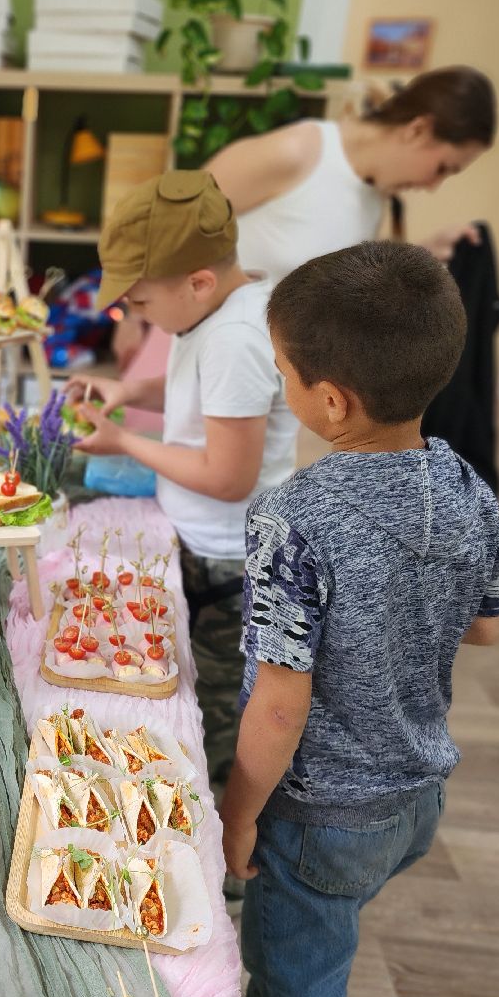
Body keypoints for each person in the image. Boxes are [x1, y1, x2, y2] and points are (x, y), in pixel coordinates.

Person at [223, 241, 499, 997]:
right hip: (416, 799)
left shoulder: (294, 519)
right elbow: (487, 628)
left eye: (283, 371)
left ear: (330, 402)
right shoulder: (469, 490)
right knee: (336, 917)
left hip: (320, 817)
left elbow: (281, 706)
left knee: (296, 986)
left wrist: (237, 816)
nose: (278, 382)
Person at [69, 170, 300, 796]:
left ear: (197, 282)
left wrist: (124, 441)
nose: (134, 315)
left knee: (216, 703)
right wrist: (131, 391)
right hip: (202, 542)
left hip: (229, 561)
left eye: (139, 303)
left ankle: (221, 824)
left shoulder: (234, 338)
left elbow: (228, 477)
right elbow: (197, 395)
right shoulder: (217, 310)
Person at [111, 66, 497, 385]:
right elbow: (168, 223)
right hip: (190, 357)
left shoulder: (372, 194)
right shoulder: (298, 153)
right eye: (443, 168)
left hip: (261, 379)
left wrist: (425, 253)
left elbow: (327, 279)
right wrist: (133, 316)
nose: (433, 186)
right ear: (417, 129)